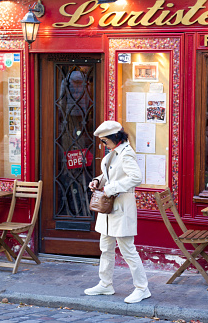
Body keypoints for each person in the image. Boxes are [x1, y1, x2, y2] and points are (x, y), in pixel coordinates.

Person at [84, 120, 150, 304]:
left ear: (114, 138)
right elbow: (109, 174)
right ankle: (105, 284)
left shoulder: (126, 153)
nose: (103, 145)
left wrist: (111, 188)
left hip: (121, 207)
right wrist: (97, 181)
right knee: (105, 248)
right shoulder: (114, 153)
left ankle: (142, 288)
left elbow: (136, 177)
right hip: (109, 209)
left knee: (128, 250)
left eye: (104, 141)